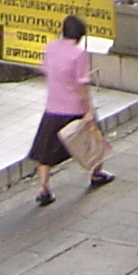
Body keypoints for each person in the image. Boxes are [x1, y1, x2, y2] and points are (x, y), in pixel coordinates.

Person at [28, 14, 113, 204]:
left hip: (53, 106)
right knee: (94, 140)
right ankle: (97, 173)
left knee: (46, 149)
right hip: (74, 108)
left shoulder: (50, 47)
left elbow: (46, 70)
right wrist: (88, 109)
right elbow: (82, 84)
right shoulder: (79, 54)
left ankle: (44, 187)